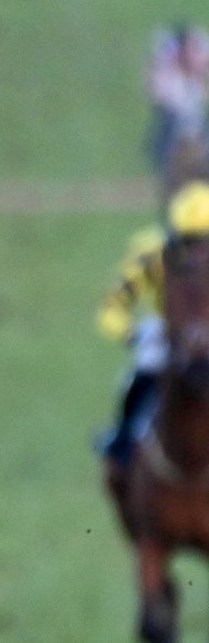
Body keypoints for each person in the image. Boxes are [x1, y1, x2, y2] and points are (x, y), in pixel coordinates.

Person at [96, 181, 209, 466]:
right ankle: (123, 439)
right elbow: (113, 306)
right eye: (190, 243)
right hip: (169, 328)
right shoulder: (152, 255)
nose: (198, 255)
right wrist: (134, 333)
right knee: (142, 372)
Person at [146, 22, 209, 175]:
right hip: (175, 118)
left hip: (192, 117)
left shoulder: (195, 71)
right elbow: (159, 94)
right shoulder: (170, 69)